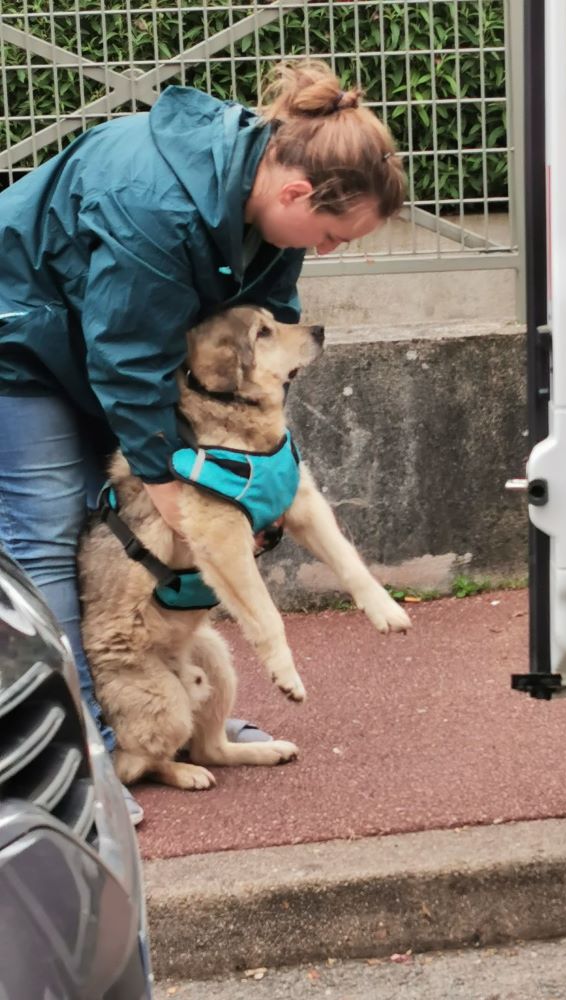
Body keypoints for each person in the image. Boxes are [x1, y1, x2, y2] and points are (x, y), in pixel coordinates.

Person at [0, 60, 406, 824]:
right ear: (294, 192)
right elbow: (127, 361)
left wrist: (252, 478)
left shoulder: (266, 214)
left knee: (120, 539)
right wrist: (168, 486)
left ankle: (170, 716)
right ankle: (76, 753)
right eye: (328, 235)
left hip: (98, 346)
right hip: (18, 341)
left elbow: (261, 329)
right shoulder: (151, 201)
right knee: (46, 534)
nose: (323, 251)